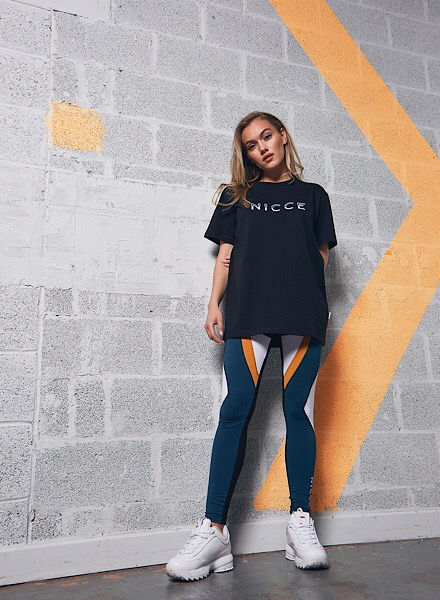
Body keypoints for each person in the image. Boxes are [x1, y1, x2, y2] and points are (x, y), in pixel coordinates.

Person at [165, 111, 337, 581]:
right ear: (246, 154)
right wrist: (213, 303)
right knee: (235, 411)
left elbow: (319, 256)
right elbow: (225, 255)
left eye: (267, 137)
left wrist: (310, 301)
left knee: (298, 411)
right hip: (247, 311)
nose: (262, 147)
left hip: (301, 313)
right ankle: (214, 531)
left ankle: (299, 522)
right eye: (251, 144)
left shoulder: (314, 196)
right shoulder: (235, 196)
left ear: (282, 136)